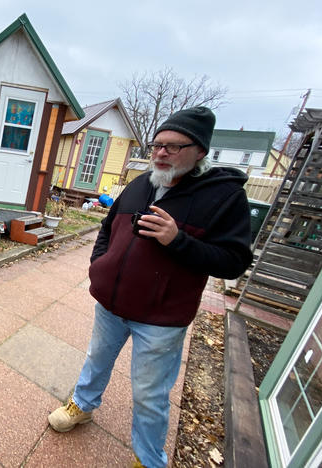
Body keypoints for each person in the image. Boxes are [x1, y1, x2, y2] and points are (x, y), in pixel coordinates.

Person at [47, 107, 253, 468]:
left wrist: (178, 241)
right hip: (111, 305)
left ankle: (148, 459)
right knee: (96, 360)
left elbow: (235, 261)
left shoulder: (222, 198)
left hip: (160, 318)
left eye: (173, 147)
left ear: (200, 151)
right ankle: (83, 405)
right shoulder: (142, 183)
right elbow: (108, 229)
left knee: (149, 393)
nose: (160, 153)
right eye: (157, 144)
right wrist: (100, 265)